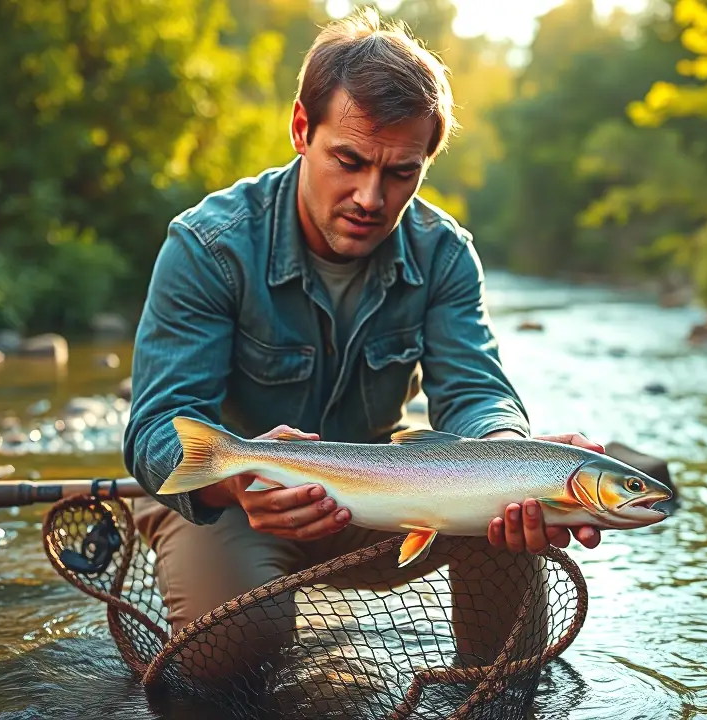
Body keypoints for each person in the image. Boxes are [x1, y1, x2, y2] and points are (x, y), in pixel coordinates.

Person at [122, 8, 605, 667]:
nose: (371, 197)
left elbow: (475, 392)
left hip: (389, 506)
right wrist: (233, 485)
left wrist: (513, 461)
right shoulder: (208, 248)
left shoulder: (444, 256)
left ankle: (494, 693)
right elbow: (156, 434)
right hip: (234, 508)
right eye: (348, 161)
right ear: (301, 128)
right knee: (225, 654)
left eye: (401, 172)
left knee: (511, 541)